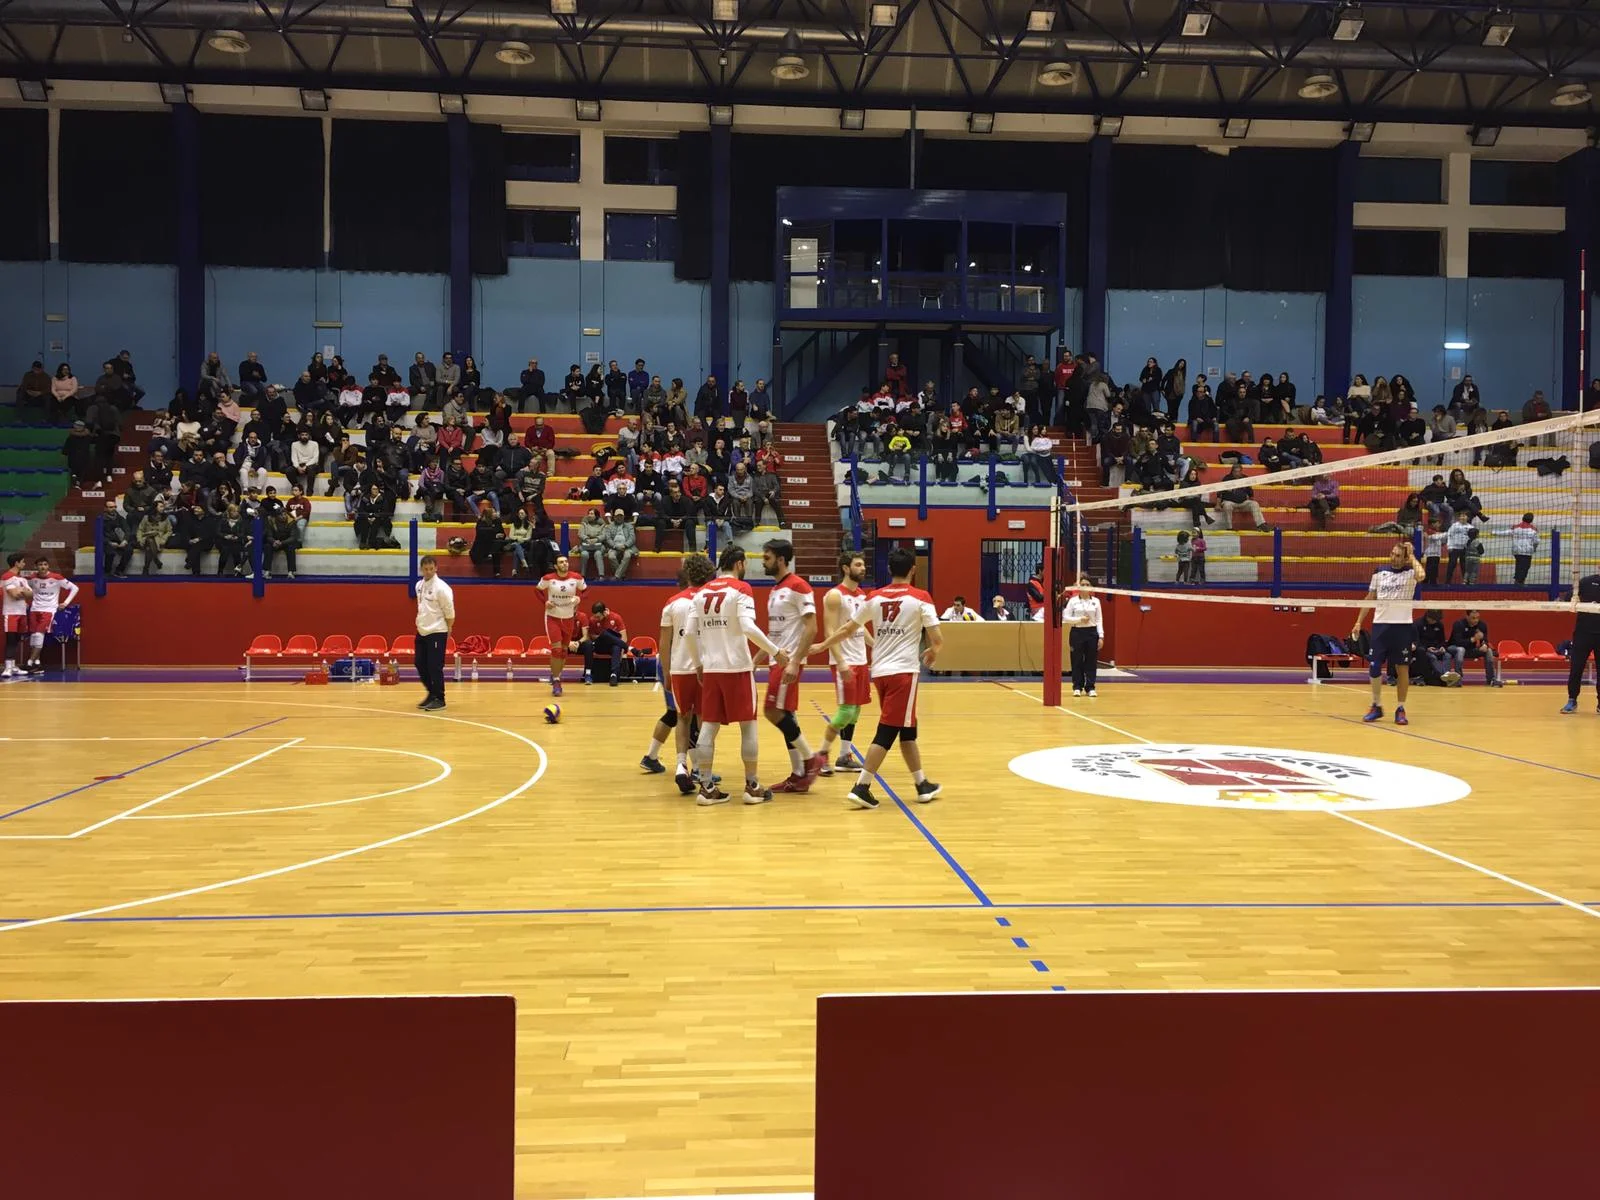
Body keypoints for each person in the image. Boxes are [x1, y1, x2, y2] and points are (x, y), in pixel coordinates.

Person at [812, 546, 943, 810]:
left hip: (879, 671)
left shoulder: (874, 597)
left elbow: (848, 628)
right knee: (887, 731)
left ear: (889, 569)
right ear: (913, 570)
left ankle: (921, 783)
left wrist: (823, 645)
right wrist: (934, 650)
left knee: (907, 730)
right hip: (903, 672)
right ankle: (862, 786)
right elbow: (937, 637)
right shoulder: (920, 597)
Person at [681, 546, 789, 806]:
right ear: (740, 564)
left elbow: (689, 633)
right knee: (748, 726)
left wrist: (698, 664)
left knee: (708, 727)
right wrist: (775, 652)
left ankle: (706, 787)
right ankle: (752, 786)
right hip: (737, 668)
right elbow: (748, 627)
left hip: (712, 669)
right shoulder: (741, 589)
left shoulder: (701, 592)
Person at [641, 555, 716, 789]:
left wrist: (666, 673)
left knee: (682, 717)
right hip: (705, 668)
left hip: (679, 668)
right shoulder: (712, 601)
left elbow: (664, 644)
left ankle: (681, 765)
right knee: (704, 721)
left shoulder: (673, 603)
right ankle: (702, 771)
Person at [761, 539, 825, 793]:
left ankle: (811, 760)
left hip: (788, 661)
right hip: (776, 660)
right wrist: (756, 660)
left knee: (771, 711)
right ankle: (798, 775)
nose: (763, 562)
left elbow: (812, 627)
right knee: (787, 715)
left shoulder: (799, 586)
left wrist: (796, 661)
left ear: (781, 559)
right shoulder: (776, 589)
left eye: (767, 558)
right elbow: (774, 633)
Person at [1350, 540, 1423, 724]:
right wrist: (1358, 622)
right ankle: (1376, 705)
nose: (1393, 557)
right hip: (1380, 626)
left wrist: (1412, 556)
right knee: (1374, 666)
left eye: (1398, 555)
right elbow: (1370, 597)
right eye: (1392, 554)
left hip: (1402, 627)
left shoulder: (1411, 573)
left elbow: (1422, 575)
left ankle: (1400, 708)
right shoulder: (1379, 573)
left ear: (1405, 558)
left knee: (1402, 669)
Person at [816, 551, 873, 775]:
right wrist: (840, 662)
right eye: (858, 565)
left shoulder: (862, 595)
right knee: (845, 712)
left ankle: (844, 756)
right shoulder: (834, 595)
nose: (863, 568)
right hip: (845, 660)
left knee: (855, 710)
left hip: (861, 659)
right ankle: (821, 755)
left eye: (863, 564)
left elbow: (859, 627)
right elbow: (829, 630)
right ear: (846, 568)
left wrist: (876, 646)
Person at [537, 554, 586, 696]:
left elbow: (586, 590)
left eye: (566, 561)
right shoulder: (548, 578)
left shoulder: (576, 578)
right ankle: (556, 681)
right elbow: (537, 590)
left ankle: (556, 675)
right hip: (553, 618)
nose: (564, 564)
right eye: (561, 562)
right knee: (557, 650)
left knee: (564, 651)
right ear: (555, 566)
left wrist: (579, 598)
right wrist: (545, 602)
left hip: (569, 618)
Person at [23, 557, 79, 673]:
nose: (43, 567)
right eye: (40, 565)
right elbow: (24, 590)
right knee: (33, 636)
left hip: (49, 610)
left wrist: (65, 603)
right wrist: (24, 602)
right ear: (36, 566)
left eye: (45, 564)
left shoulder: (56, 577)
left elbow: (74, 588)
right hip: (34, 610)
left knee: (39, 635)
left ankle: (29, 662)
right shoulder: (32, 578)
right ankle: (37, 664)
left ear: (48, 566)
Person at [413, 555, 455, 711]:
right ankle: (431, 693)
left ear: (436, 568)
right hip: (422, 630)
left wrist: (448, 628)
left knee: (434, 666)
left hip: (437, 631)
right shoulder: (418, 585)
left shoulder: (442, 588)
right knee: (419, 662)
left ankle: (440, 698)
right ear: (421, 569)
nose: (429, 572)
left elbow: (449, 611)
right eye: (426, 569)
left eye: (431, 569)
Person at [1561, 571, 1600, 713]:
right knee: (1576, 668)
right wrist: (1573, 597)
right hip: (1583, 634)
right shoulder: (1585, 582)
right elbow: (1568, 598)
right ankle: (1572, 700)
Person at [1064, 576, 1104, 697]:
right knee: (1077, 660)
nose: (1085, 587)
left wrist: (1101, 636)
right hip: (1077, 632)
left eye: (1087, 584)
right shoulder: (1073, 601)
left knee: (1091, 660)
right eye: (1083, 584)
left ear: (1091, 587)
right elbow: (1066, 617)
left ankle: (1090, 687)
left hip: (1091, 633)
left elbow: (1099, 619)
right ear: (1079, 587)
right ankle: (1077, 686)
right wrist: (1079, 619)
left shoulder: (1096, 601)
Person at [1449, 609, 1502, 687]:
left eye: (1477, 618)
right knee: (1461, 649)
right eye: (1473, 618)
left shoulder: (1482, 625)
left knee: (1489, 651)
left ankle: (1491, 680)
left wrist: (1484, 645)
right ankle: (1457, 679)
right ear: (1467, 616)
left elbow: (1485, 640)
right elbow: (1458, 642)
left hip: (1471, 650)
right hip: (1454, 649)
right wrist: (1473, 639)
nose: (1476, 620)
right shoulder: (1459, 624)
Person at [2, 555, 33, 677]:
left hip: (22, 612)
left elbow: (31, 595)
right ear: (16, 563)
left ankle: (13, 666)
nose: (24, 564)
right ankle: (7, 668)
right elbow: (14, 595)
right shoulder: (7, 577)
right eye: (23, 562)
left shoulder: (23, 579)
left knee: (17, 639)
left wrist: (21, 591)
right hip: (11, 613)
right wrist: (23, 591)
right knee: (10, 639)